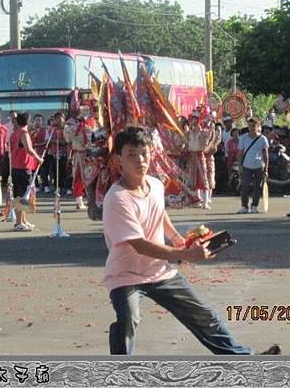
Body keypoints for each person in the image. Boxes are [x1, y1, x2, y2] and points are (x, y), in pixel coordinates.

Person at [102, 127, 280, 356]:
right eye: (131, 155)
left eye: (144, 153)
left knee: (204, 316)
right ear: (118, 160)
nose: (140, 160)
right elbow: (139, 244)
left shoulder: (155, 185)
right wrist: (185, 255)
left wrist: (180, 241)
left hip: (160, 272)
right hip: (126, 275)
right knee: (128, 320)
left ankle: (245, 360)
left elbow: (160, 215)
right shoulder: (117, 198)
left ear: (152, 153)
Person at [10, 113, 44, 232]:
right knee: (22, 196)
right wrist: (38, 158)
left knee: (23, 195)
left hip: (16, 166)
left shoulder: (14, 134)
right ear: (27, 121)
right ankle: (19, 222)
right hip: (22, 167)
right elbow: (28, 149)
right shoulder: (24, 134)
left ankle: (23, 220)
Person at [236, 118, 269, 214]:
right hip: (246, 166)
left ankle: (254, 206)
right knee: (244, 187)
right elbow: (240, 153)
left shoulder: (263, 139)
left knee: (257, 187)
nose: (251, 128)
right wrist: (240, 166)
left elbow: (266, 155)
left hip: (259, 166)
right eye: (250, 126)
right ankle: (244, 206)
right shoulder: (243, 138)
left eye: (254, 126)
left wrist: (266, 169)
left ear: (258, 127)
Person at [185, 113, 209, 208]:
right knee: (193, 178)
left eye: (195, 120)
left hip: (199, 154)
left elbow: (205, 144)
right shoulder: (189, 133)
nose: (193, 122)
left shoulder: (203, 132)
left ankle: (205, 201)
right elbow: (187, 143)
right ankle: (197, 200)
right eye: (192, 120)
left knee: (203, 177)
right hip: (192, 155)